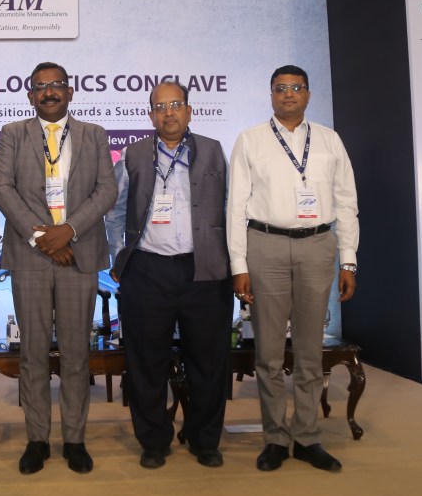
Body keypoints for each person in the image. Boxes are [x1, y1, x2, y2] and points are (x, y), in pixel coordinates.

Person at [227, 64, 358, 473]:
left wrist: (349, 259)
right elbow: (235, 206)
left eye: (296, 87)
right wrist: (238, 264)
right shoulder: (250, 140)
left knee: (309, 350)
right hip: (265, 245)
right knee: (268, 353)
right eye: (280, 88)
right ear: (271, 94)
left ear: (308, 94)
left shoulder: (330, 140)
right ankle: (274, 439)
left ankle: (307, 437)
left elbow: (347, 203)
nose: (288, 94)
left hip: (318, 246)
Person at [0, 61, 117, 474]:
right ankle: (38, 439)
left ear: (70, 92)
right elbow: (2, 188)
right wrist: (42, 237)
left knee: (77, 354)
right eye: (41, 86)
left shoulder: (94, 134)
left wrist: (69, 231)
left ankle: (75, 440)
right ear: (30, 95)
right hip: (30, 256)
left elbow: (107, 190)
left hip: (79, 253)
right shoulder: (13, 133)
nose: (49, 92)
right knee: (33, 354)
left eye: (57, 85)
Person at [108, 81, 233, 469]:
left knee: (209, 362)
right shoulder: (132, 154)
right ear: (151, 116)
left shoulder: (213, 150)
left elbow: (230, 206)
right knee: (147, 363)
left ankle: (204, 439)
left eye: (176, 104)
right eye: (160, 107)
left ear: (189, 110)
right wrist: (120, 260)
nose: (169, 113)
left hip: (205, 270)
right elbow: (115, 212)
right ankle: (154, 440)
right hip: (148, 270)